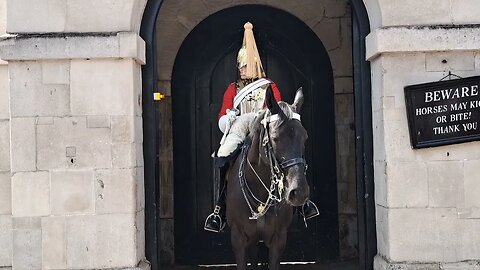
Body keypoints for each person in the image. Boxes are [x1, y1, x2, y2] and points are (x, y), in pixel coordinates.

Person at [204, 22, 319, 233]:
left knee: (290, 149)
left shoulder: (269, 85)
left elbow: (278, 110)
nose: (242, 69)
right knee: (223, 154)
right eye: (240, 66)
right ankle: (219, 210)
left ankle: (303, 204)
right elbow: (222, 114)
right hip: (240, 126)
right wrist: (228, 118)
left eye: (246, 65)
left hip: (264, 125)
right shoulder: (232, 89)